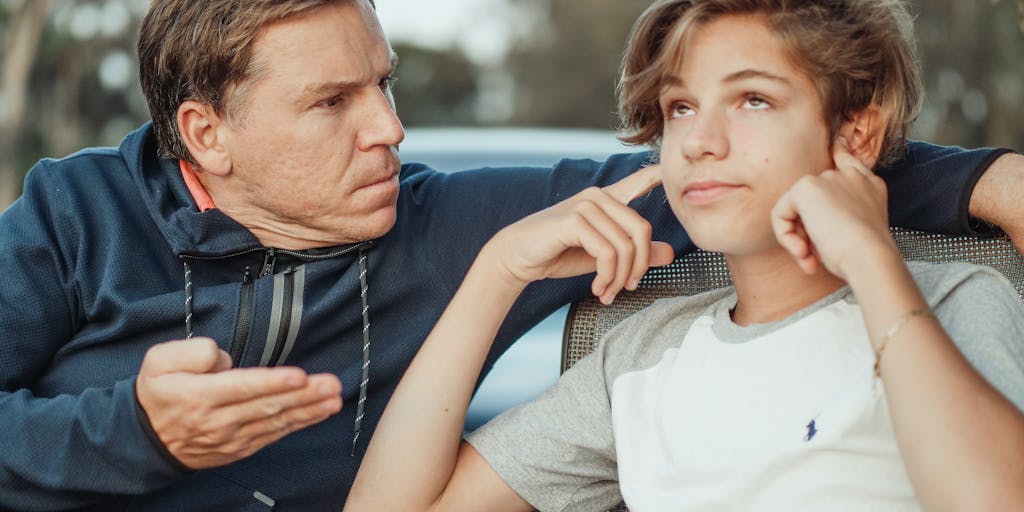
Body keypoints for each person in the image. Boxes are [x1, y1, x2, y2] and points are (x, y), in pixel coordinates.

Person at [0, 0, 1020, 510]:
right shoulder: (72, 215)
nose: (393, 130)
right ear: (207, 134)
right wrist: (130, 430)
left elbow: (712, 179)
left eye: (385, 85)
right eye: (333, 102)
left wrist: (982, 180)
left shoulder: (454, 216)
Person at [346, 0, 1024, 510]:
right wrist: (497, 271)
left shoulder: (952, 299)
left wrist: (871, 260)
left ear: (857, 134)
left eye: (752, 99)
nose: (701, 141)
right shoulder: (641, 361)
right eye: (680, 109)